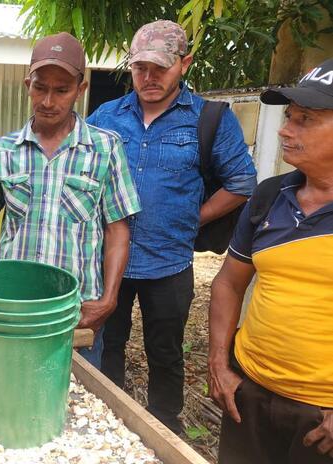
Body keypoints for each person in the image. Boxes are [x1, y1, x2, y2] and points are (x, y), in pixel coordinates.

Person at [87, 20, 258, 434]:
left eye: (159, 69)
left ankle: (166, 426)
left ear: (184, 64)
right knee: (105, 344)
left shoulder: (208, 119)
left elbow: (241, 183)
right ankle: (105, 419)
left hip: (169, 262)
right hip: (110, 263)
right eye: (140, 68)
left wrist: (191, 218)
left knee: (164, 351)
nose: (148, 78)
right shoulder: (106, 116)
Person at [0, 32, 141, 368]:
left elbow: (117, 229)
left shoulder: (105, 149)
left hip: (76, 312)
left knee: (75, 405)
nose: (48, 101)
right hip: (12, 306)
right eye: (40, 87)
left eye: (61, 90)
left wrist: (108, 298)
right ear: (27, 85)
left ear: (80, 89)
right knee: (8, 388)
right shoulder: (3, 150)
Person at [208, 57, 333, 463]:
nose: (284, 129)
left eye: (305, 119)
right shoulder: (269, 197)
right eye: (289, 116)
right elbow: (228, 282)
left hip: (321, 419)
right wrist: (219, 363)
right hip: (251, 394)